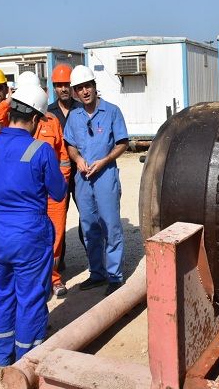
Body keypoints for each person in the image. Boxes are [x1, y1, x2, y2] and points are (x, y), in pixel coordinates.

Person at [0, 84, 66, 367]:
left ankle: (3, 357)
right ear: (36, 119)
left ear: (10, 111)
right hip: (30, 235)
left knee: (2, 295)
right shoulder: (41, 150)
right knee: (31, 297)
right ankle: (26, 362)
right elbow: (58, 192)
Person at [0, 72, 71, 297]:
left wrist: (62, 179)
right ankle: (33, 283)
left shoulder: (50, 120)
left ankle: (53, 277)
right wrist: (9, 101)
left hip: (50, 191)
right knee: (28, 240)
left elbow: (62, 155)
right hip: (26, 193)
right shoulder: (9, 120)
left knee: (55, 236)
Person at [64, 65, 129, 296]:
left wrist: (105, 160)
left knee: (110, 226)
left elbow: (122, 143)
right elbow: (70, 144)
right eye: (80, 88)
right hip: (83, 179)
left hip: (105, 175)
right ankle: (97, 273)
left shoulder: (112, 111)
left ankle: (115, 276)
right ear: (75, 92)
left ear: (94, 86)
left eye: (88, 86)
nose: (85, 91)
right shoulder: (74, 116)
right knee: (89, 227)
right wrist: (78, 159)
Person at [47, 64, 84, 268]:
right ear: (54, 87)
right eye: (59, 85)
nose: (63, 88)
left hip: (81, 173)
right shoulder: (48, 112)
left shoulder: (82, 109)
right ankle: (58, 263)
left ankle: (94, 260)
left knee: (87, 217)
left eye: (67, 84)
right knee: (57, 220)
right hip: (58, 175)